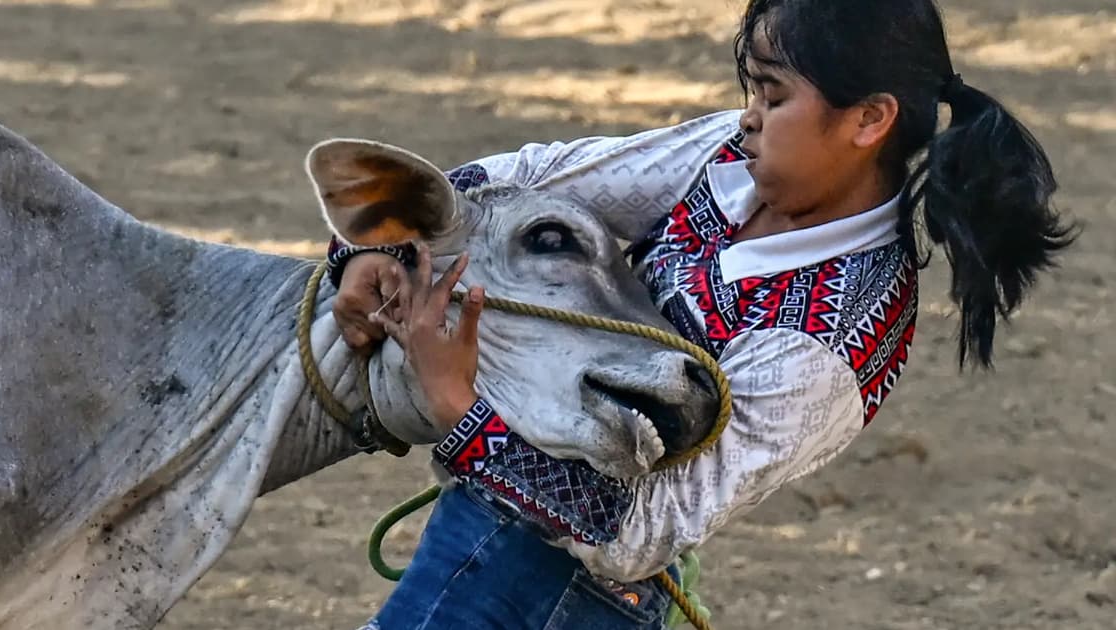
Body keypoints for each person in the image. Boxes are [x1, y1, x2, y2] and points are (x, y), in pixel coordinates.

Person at [327, 0, 1076, 627]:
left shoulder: (831, 340)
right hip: (488, 529)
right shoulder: (732, 156)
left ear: (869, 120)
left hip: (568, 596)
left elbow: (637, 532)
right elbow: (539, 178)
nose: (748, 118)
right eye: (751, 90)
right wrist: (383, 247)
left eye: (774, 97)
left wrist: (457, 403)